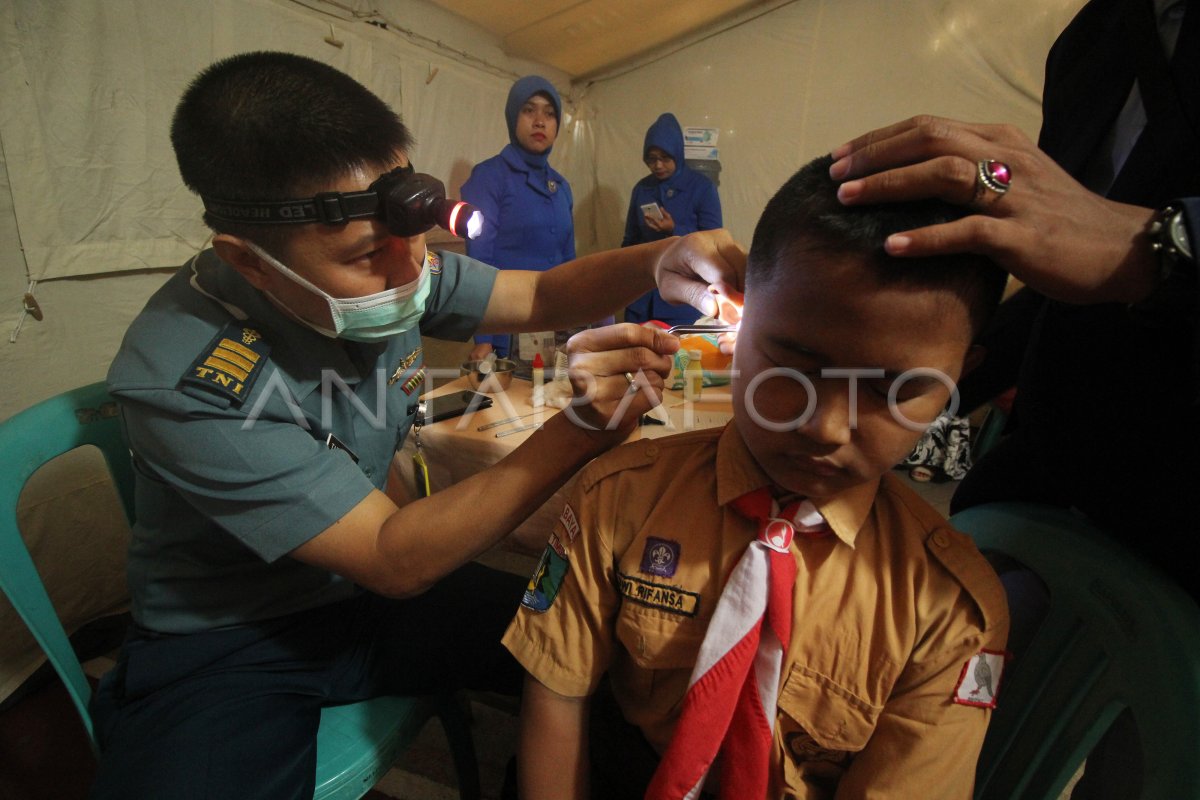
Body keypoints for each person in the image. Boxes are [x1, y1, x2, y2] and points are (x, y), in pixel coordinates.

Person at [89, 51, 741, 799]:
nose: (409, 274)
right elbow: (392, 556)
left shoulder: (390, 260)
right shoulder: (182, 373)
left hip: (365, 604)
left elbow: (536, 296)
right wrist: (584, 428)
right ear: (252, 262)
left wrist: (664, 256)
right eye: (369, 256)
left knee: (612, 652)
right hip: (231, 639)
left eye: (419, 239)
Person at [502, 155, 1011, 799]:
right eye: (790, 364)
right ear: (734, 325)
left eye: (893, 389)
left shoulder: (948, 611)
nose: (824, 425)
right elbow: (558, 692)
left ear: (958, 377)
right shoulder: (620, 496)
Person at [827, 0, 1199, 596]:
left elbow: (1108, 253)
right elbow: (1069, 284)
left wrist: (1163, 245)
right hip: (1039, 496)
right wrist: (896, 379)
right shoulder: (1097, 36)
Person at [462, 75, 592, 363]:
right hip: (508, 329)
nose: (539, 121)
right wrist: (484, 338)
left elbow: (568, 259)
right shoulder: (489, 177)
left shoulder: (561, 187)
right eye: (529, 110)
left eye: (549, 113)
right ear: (513, 116)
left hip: (556, 326)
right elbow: (478, 264)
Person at [622, 112, 724, 327]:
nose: (658, 165)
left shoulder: (701, 187)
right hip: (641, 298)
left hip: (683, 299)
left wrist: (674, 229)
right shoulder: (642, 188)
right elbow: (629, 241)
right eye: (652, 159)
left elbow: (714, 242)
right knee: (634, 355)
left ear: (677, 154)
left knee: (682, 356)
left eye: (665, 158)